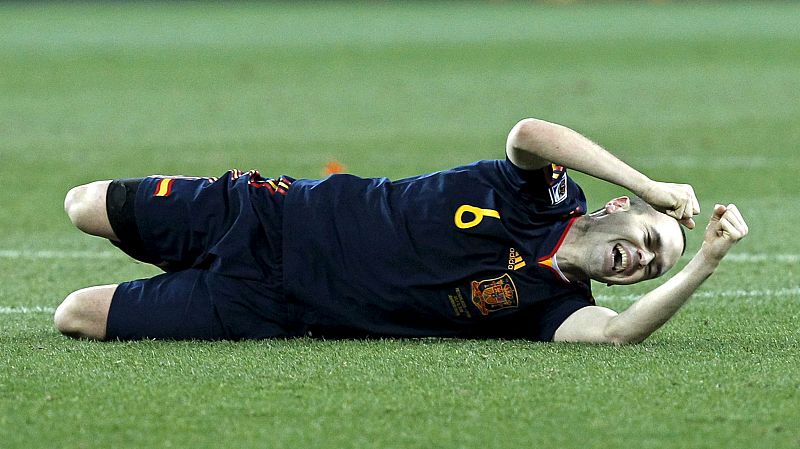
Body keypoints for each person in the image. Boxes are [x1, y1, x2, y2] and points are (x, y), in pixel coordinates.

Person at [54, 118, 748, 344]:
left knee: (74, 316)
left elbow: (615, 334)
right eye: (653, 240)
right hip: (266, 211)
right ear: (617, 206)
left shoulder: (553, 305)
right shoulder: (541, 191)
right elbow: (529, 132)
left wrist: (702, 264)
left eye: (651, 269)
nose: (641, 262)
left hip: (266, 304)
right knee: (84, 205)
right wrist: (658, 186)